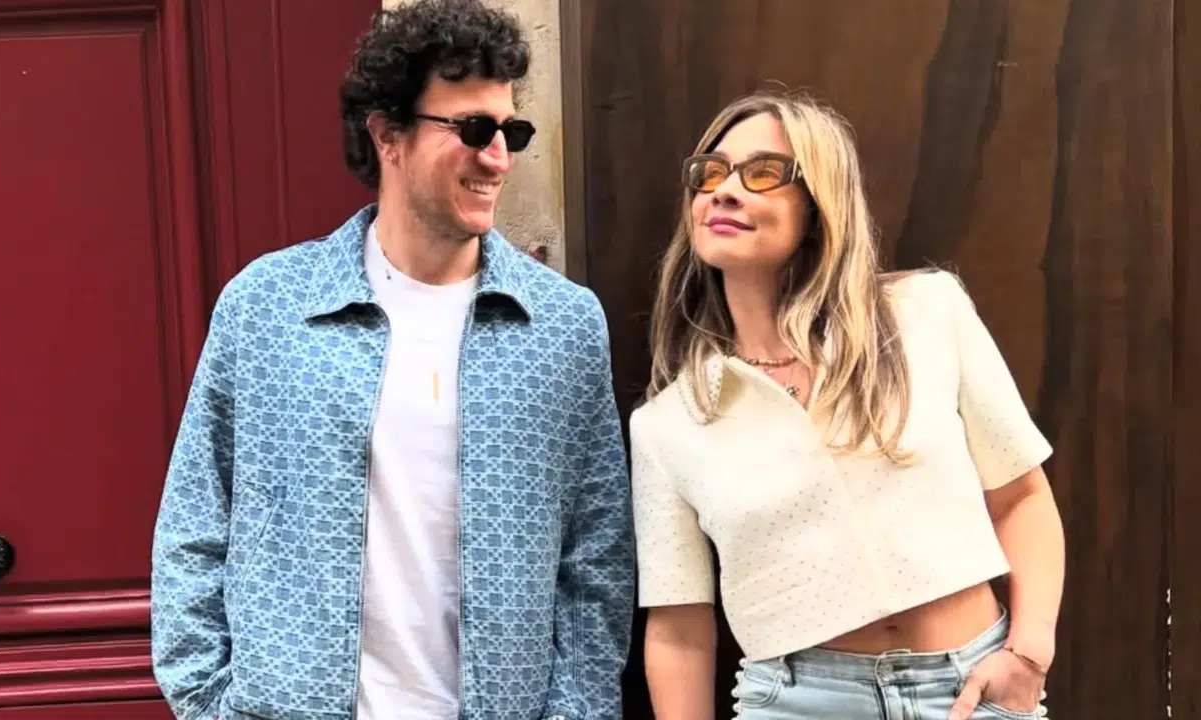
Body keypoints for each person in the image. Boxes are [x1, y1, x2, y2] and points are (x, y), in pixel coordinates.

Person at [150, 1, 635, 718]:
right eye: (473, 130)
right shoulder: (268, 306)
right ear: (387, 135)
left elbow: (597, 561)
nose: (498, 158)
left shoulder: (561, 326)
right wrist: (207, 700)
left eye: (511, 132)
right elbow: (195, 521)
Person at [630, 90, 1066, 720]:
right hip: (797, 704)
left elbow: (1021, 496)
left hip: (970, 691)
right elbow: (678, 627)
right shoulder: (670, 422)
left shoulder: (925, 315)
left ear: (819, 204)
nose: (724, 191)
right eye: (712, 172)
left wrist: (1028, 655)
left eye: (763, 173)